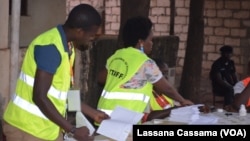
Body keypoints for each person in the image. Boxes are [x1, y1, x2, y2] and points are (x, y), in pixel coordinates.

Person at [2, 4, 109, 141]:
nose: (92, 39)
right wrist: (73, 130)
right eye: (92, 35)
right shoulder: (51, 48)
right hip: (26, 129)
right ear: (79, 31)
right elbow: (40, 96)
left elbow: (63, 93)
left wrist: (93, 113)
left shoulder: (68, 47)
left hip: (46, 129)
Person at [96, 16, 193, 123]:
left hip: (104, 116)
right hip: (127, 118)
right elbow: (167, 88)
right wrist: (182, 101)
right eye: (150, 40)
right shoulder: (146, 63)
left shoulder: (116, 56)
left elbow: (101, 78)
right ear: (141, 42)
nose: (152, 43)